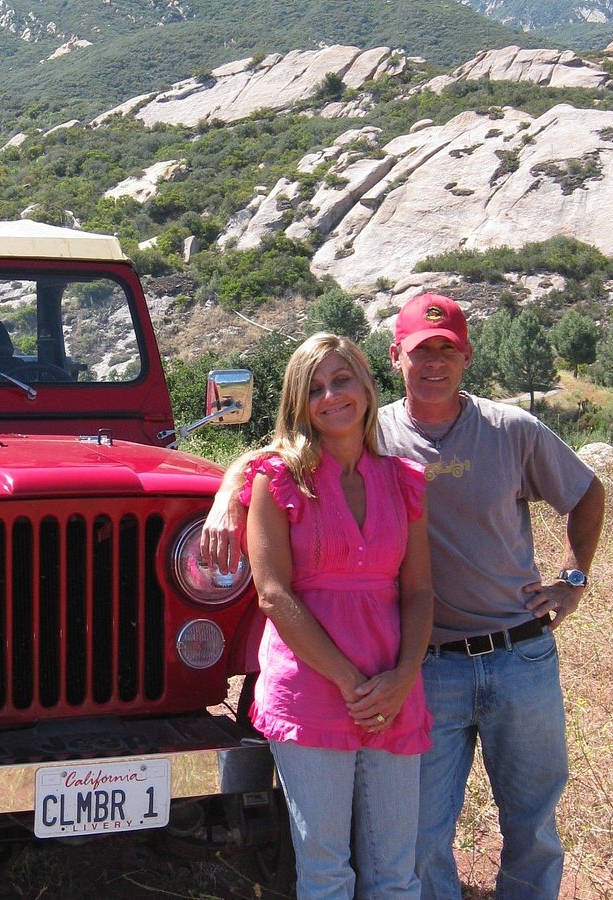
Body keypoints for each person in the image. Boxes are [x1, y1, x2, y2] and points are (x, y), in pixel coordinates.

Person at [204, 294, 605, 899]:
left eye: (447, 350)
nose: (434, 363)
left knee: (532, 822)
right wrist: (222, 494)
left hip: (509, 655)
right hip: (427, 665)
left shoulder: (505, 431)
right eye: (422, 352)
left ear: (466, 356)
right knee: (416, 843)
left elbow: (586, 493)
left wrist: (573, 580)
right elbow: (273, 461)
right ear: (396, 359)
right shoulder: (374, 431)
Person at [236, 332, 434, 898]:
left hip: (393, 688)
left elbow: (420, 591)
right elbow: (272, 592)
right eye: (315, 389)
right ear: (299, 405)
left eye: (341, 380)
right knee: (326, 872)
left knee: (397, 873)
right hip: (313, 687)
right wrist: (352, 683)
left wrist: (399, 680)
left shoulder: (403, 481)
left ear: (367, 385)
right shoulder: (276, 480)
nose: (331, 396)